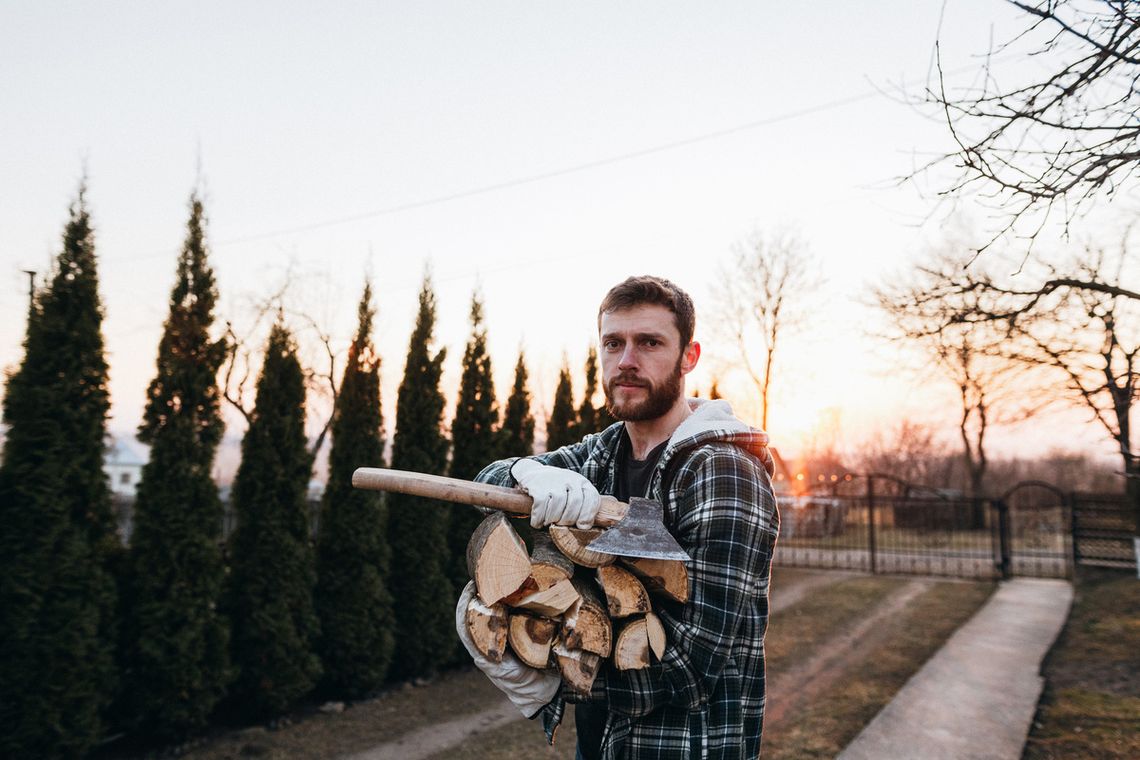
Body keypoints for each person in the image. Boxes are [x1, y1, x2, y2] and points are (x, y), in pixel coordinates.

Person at [455, 275, 779, 760]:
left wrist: (548, 679)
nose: (626, 361)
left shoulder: (722, 471)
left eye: (649, 342)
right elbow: (487, 483)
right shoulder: (602, 454)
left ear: (689, 356)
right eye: (613, 343)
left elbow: (691, 667)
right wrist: (524, 473)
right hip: (602, 744)